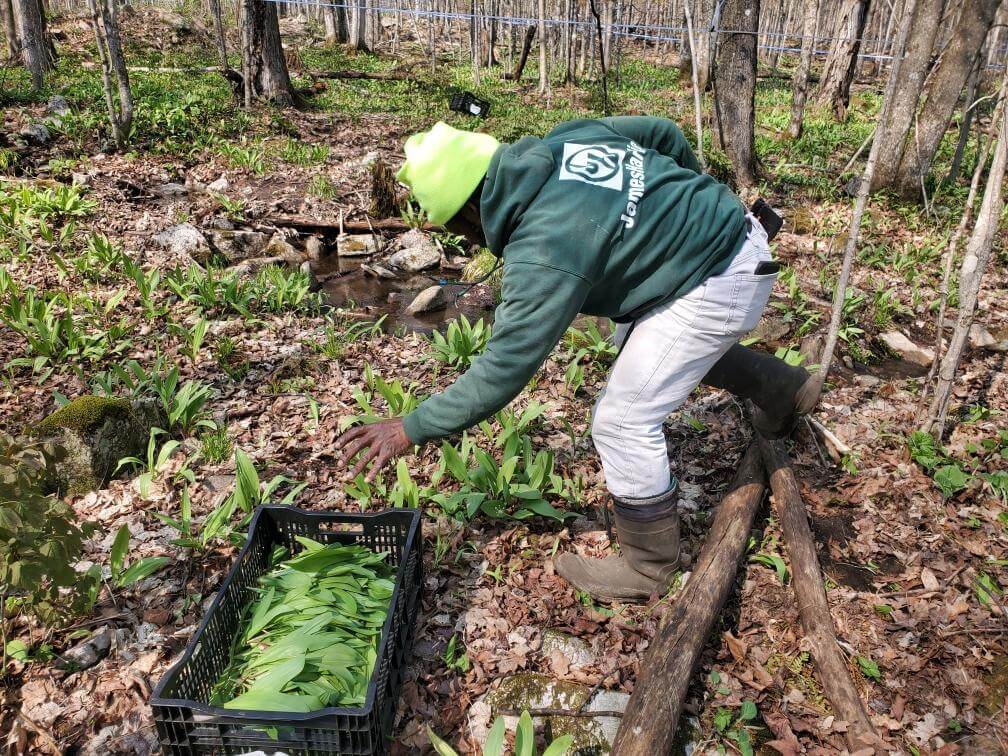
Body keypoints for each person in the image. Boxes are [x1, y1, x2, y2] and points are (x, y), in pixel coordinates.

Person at [335, 118, 817, 603]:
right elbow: (663, 134)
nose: (471, 243)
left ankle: (649, 566)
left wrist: (410, 428)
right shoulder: (565, 140)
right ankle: (783, 388)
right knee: (658, 348)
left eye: (461, 231)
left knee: (621, 421)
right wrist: (689, 205)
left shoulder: (544, 246)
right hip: (732, 234)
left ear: (471, 213)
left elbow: (504, 370)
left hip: (720, 278)